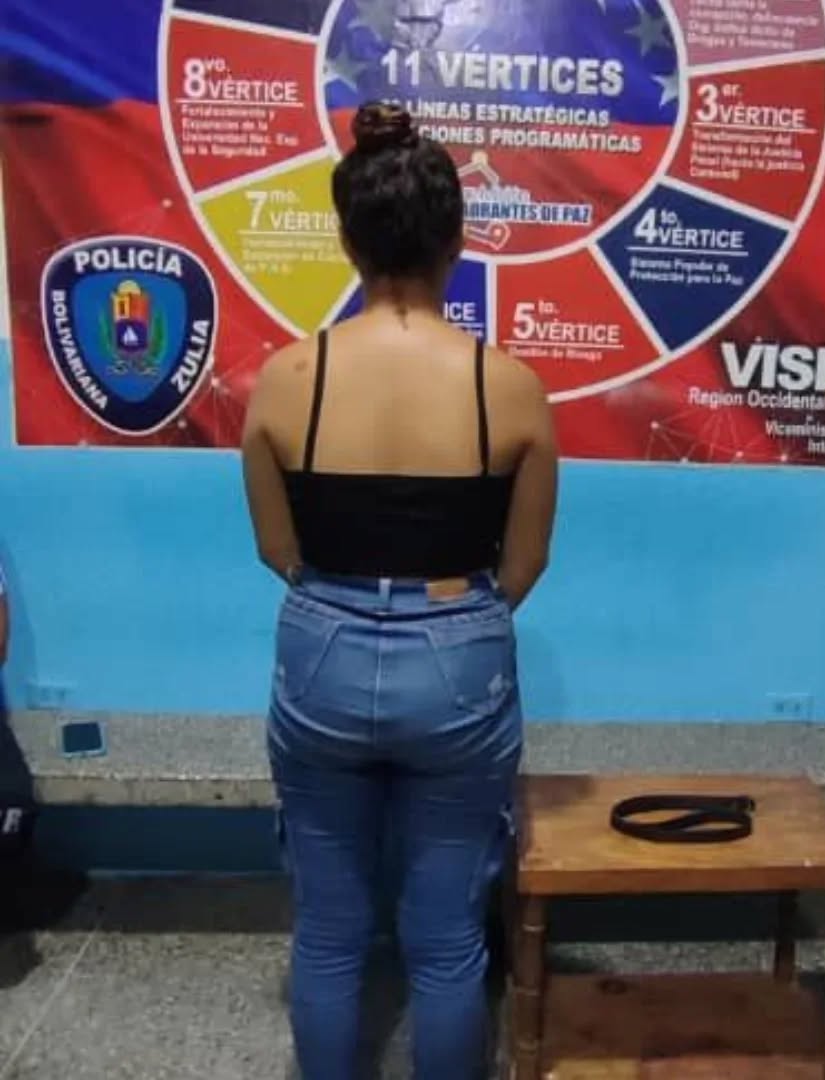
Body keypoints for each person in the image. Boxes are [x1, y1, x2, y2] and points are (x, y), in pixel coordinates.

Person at [241, 102, 558, 1080]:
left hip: (321, 653)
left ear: (348, 240)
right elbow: (525, 565)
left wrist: (350, 608)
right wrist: (448, 621)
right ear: (456, 241)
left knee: (330, 936)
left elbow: (276, 549)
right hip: (459, 656)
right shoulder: (508, 386)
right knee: (447, 941)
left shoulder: (288, 378)